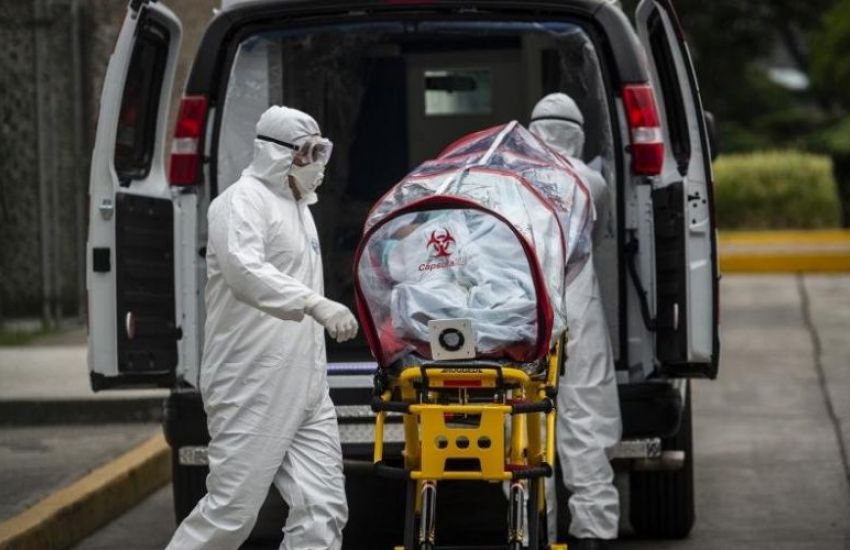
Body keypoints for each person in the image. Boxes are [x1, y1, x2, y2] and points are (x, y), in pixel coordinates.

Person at [166, 105, 358, 550]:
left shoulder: (299, 207)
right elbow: (244, 270)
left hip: (307, 384)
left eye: (321, 151)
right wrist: (313, 303)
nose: (317, 163)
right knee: (230, 513)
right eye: (309, 151)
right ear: (278, 152)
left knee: (322, 508)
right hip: (252, 382)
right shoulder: (241, 202)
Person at [530, 93, 622, 550]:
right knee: (586, 415)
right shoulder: (591, 180)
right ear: (577, 135)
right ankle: (593, 532)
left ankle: (532, 530)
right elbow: (596, 233)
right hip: (577, 303)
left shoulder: (509, 176)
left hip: (524, 310)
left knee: (526, 420)